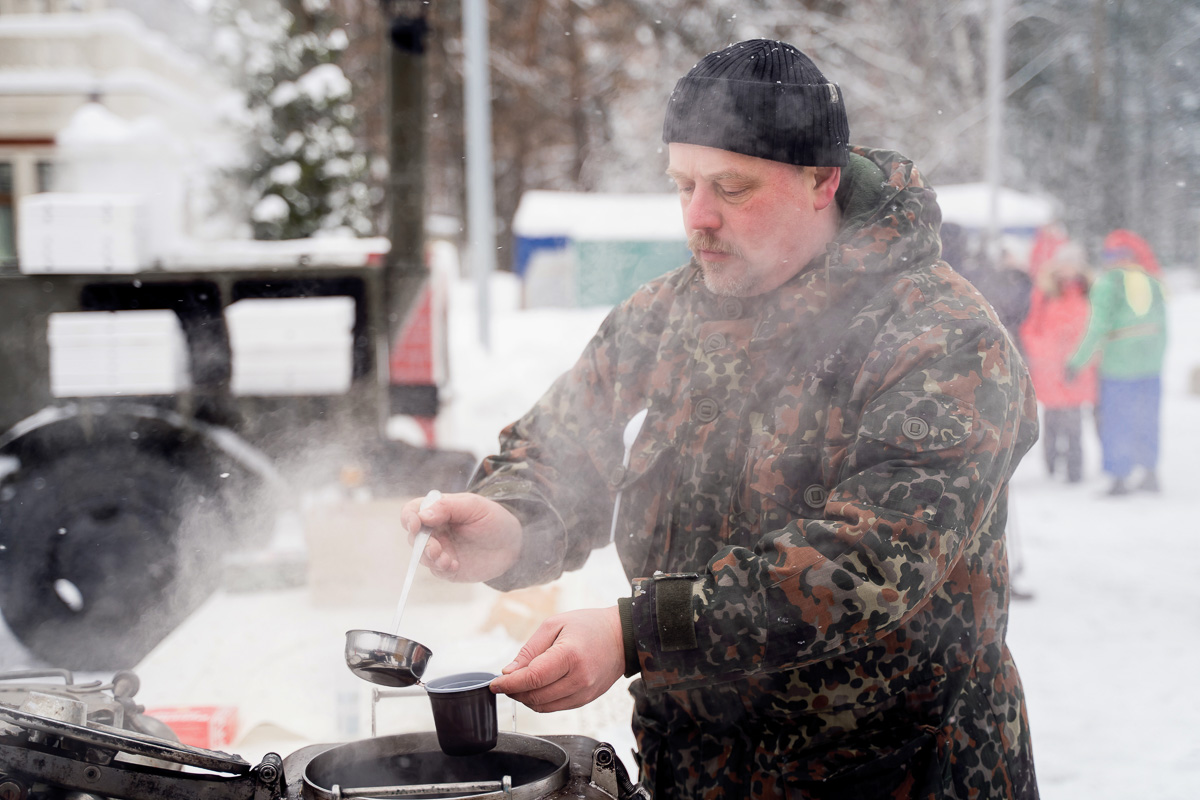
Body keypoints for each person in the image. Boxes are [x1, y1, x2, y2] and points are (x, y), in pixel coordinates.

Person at [403, 39, 1040, 799]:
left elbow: (868, 564)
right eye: (683, 185)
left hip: (898, 774)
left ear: (820, 181)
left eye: (731, 189)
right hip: (699, 771)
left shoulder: (943, 337)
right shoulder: (673, 310)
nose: (697, 219)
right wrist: (510, 522)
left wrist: (640, 631)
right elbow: (563, 440)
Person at [1066, 229, 1168, 495]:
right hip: (1150, 366)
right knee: (1147, 418)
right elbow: (1164, 326)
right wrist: (1156, 357)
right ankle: (1150, 473)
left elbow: (1097, 327)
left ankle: (1120, 478)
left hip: (1118, 367)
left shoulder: (1108, 283)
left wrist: (1077, 362)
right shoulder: (1152, 280)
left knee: (1118, 422)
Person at [1019, 240, 1097, 482]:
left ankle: (1075, 469)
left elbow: (1096, 327)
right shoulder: (1044, 293)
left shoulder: (1090, 291)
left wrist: (1081, 354)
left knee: (1073, 420)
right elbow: (1030, 327)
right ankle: (1051, 465)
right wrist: (1045, 352)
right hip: (1049, 366)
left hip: (1077, 365)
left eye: (1073, 263)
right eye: (1064, 262)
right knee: (1052, 419)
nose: (1068, 268)